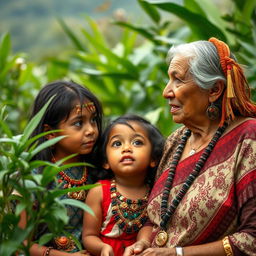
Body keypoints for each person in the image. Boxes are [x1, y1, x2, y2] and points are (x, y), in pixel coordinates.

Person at [124, 38, 256, 256]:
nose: (167, 92)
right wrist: (144, 243)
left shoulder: (248, 138)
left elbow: (251, 239)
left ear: (214, 90)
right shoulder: (176, 141)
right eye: (169, 80)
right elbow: (157, 217)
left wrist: (178, 253)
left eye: (178, 81)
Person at [19, 80, 103, 255]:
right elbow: (20, 244)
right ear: (50, 132)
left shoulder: (99, 167)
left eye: (93, 120)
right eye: (79, 123)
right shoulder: (33, 178)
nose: (91, 130)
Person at [82, 114, 165, 256]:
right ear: (105, 161)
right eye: (117, 143)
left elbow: (149, 225)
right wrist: (102, 248)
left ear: (153, 158)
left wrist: (143, 243)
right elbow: (89, 236)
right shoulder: (99, 191)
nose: (126, 148)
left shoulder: (155, 192)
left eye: (137, 142)